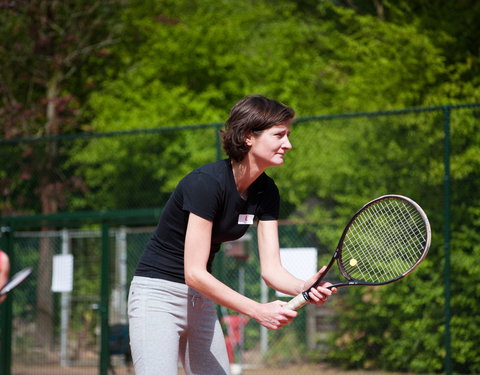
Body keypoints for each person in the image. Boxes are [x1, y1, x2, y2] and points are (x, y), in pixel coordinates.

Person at [128, 94, 336, 375]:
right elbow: (194, 272)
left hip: (199, 299)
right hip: (157, 297)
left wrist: (304, 287)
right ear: (249, 136)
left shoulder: (267, 191)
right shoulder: (206, 184)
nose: (288, 144)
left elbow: (272, 270)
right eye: (279, 135)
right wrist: (257, 310)